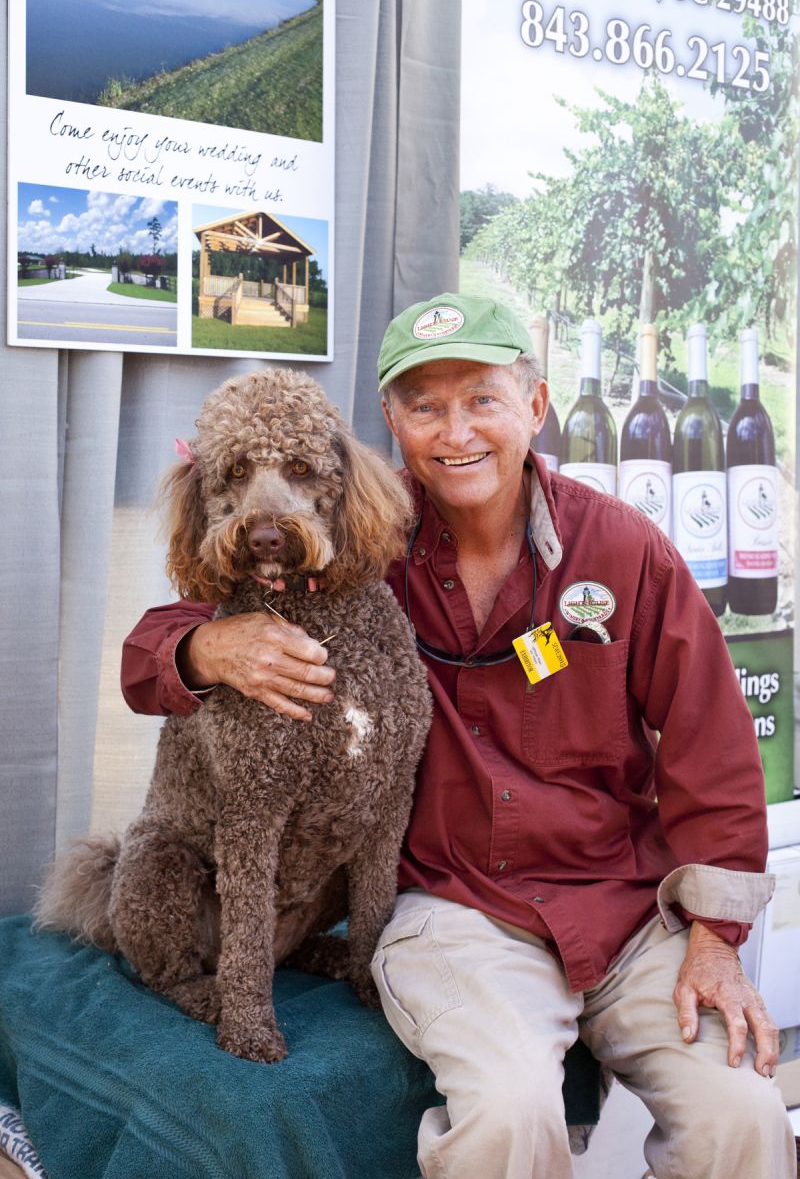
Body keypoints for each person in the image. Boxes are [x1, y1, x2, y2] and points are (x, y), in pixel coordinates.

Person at [122, 293, 795, 1178]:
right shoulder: (356, 539)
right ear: (393, 423)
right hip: (456, 906)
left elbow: (714, 745)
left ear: (535, 406)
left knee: (742, 1113)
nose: (456, 432)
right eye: (425, 407)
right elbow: (151, 653)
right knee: (507, 1114)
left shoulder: (625, 550)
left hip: (620, 906)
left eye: (482, 398)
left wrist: (713, 939)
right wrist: (207, 645)